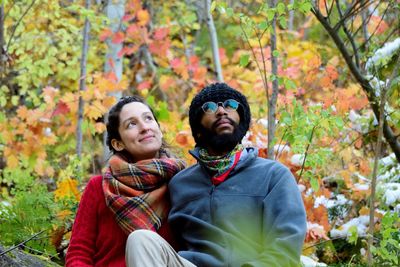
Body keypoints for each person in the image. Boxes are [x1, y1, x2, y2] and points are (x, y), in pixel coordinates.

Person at [126, 82, 307, 267]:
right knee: (140, 239)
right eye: (210, 107)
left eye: (231, 105)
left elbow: (286, 246)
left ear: (242, 121)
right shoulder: (180, 183)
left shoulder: (273, 175)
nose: (221, 111)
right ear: (198, 130)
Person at [65, 96, 185, 267]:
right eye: (132, 124)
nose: (144, 127)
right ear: (118, 143)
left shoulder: (182, 181)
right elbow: (79, 253)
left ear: (159, 128)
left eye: (148, 118)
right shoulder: (99, 188)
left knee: (141, 239)